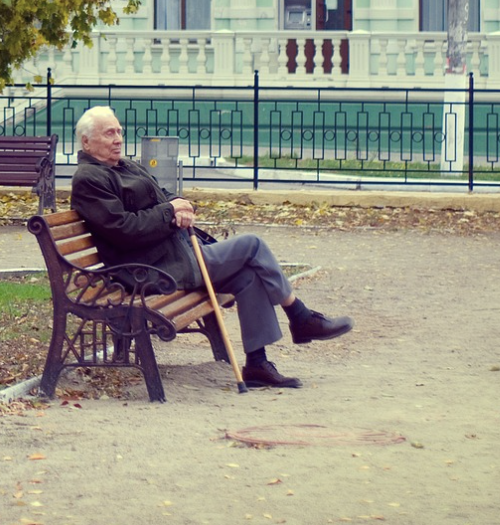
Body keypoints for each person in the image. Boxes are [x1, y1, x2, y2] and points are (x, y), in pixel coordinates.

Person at [69, 105, 353, 389]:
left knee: (248, 276)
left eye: (119, 131)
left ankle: (257, 364)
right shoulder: (90, 179)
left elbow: (164, 196)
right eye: (109, 133)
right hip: (149, 269)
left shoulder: (125, 166)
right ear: (86, 141)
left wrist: (182, 206)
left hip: (171, 255)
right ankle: (300, 316)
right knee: (252, 246)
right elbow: (123, 230)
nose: (118, 138)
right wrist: (169, 212)